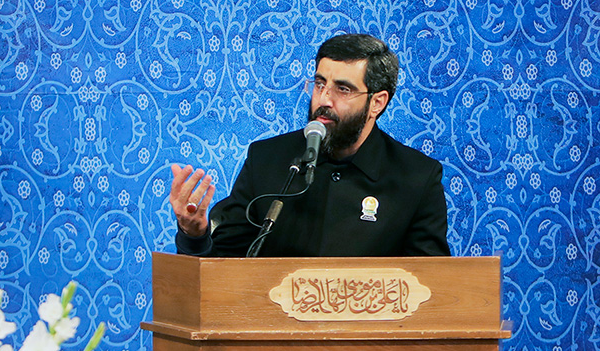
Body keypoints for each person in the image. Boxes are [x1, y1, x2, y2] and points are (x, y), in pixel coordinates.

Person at [168, 33, 449, 258]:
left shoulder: (416, 178)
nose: (324, 100)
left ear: (377, 102)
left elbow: (429, 289)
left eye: (343, 89)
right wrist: (195, 234)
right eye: (319, 84)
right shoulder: (267, 159)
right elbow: (223, 268)